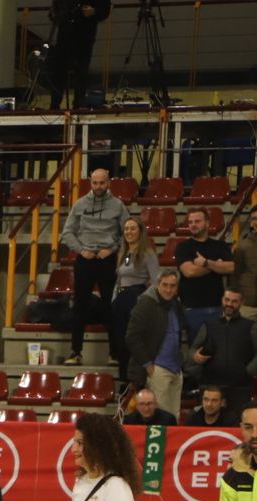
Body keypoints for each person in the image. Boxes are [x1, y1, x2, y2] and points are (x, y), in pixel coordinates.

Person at [61, 167, 126, 365]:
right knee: (80, 305)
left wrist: (113, 248)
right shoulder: (80, 204)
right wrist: (81, 250)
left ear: (109, 183)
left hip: (107, 259)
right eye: (95, 183)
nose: (98, 187)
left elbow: (129, 232)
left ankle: (114, 353)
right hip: (85, 259)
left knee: (110, 307)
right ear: (90, 183)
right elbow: (67, 233)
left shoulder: (118, 205)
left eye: (102, 183)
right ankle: (75, 352)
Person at [186, 287, 257, 413]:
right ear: (222, 300)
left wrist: (247, 372)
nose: (229, 304)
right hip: (210, 386)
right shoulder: (209, 325)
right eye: (227, 300)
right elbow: (192, 349)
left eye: (234, 301)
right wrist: (195, 356)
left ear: (241, 303)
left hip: (240, 387)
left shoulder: (250, 326)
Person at [125, 268, 187, 416]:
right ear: (157, 284)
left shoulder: (176, 305)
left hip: (175, 369)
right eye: (165, 285)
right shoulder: (145, 304)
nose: (168, 289)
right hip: (157, 368)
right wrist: (147, 364)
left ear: (177, 288)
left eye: (172, 286)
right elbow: (132, 337)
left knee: (174, 417)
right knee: (161, 418)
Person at [110, 216, 158, 379]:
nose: (129, 232)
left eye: (133, 228)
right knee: (120, 340)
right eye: (126, 229)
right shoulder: (123, 253)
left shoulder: (147, 253)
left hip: (135, 298)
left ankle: (135, 378)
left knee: (132, 340)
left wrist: (142, 300)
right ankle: (124, 377)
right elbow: (118, 279)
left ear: (140, 232)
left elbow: (156, 282)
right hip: (120, 299)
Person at [174, 207, 234, 340]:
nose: (193, 224)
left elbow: (231, 268)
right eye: (190, 222)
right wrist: (216, 265)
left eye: (197, 221)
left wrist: (206, 262)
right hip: (191, 309)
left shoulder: (220, 246)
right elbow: (189, 271)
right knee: (194, 352)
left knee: (218, 351)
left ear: (207, 223)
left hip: (217, 308)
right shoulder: (183, 247)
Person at [48, 0, 112, 109]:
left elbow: (105, 9)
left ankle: (78, 104)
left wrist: (94, 12)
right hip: (65, 34)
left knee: (81, 71)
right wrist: (56, 14)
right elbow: (56, 7)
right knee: (59, 71)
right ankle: (55, 104)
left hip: (84, 35)